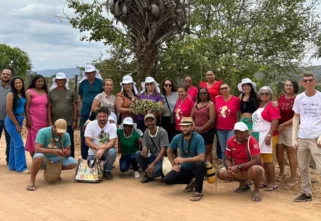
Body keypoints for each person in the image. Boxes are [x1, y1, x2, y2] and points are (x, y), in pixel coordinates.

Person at [217, 122, 264, 202]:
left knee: (256, 169)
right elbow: (227, 158)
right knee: (221, 173)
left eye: (242, 133)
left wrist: (239, 166)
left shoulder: (251, 140)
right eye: (236, 133)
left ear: (247, 132)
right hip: (238, 170)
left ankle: (256, 190)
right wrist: (229, 168)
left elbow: (257, 160)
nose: (239, 135)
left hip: (249, 169)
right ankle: (243, 184)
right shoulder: (230, 141)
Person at [292, 72, 321, 202]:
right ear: (302, 83)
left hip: (316, 138)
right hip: (302, 137)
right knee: (303, 168)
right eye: (305, 81)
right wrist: (294, 137)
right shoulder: (299, 98)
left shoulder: (320, 97)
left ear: (315, 82)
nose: (308, 83)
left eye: (310, 80)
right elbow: (296, 117)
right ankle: (306, 193)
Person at [26, 119, 77, 191]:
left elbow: (69, 151)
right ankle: (32, 180)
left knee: (73, 163)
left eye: (62, 132)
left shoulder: (66, 135)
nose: (61, 134)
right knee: (39, 157)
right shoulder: (43, 132)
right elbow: (37, 149)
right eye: (59, 131)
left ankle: (55, 172)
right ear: (54, 127)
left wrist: (65, 153)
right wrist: (52, 151)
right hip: (44, 157)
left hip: (56, 157)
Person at [163, 117, 206, 202]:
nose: (185, 128)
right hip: (185, 168)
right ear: (180, 128)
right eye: (183, 126)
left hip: (196, 167)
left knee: (199, 164)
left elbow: (201, 157)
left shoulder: (199, 138)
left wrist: (184, 160)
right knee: (167, 180)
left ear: (192, 127)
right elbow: (169, 150)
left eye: (187, 126)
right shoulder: (177, 138)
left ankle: (198, 191)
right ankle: (190, 181)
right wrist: (174, 165)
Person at [252, 86, 280, 191]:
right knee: (263, 159)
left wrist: (269, 135)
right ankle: (266, 181)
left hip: (268, 135)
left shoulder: (272, 105)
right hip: (259, 136)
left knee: (268, 160)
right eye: (262, 93)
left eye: (267, 93)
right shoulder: (261, 105)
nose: (264, 95)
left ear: (270, 95)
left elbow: (275, 121)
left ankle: (273, 182)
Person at [48, 72, 78, 158]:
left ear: (65, 81)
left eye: (62, 80)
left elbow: (75, 107)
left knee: (69, 140)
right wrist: (50, 121)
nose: (60, 81)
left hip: (68, 121)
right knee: (56, 140)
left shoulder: (71, 92)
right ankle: (57, 158)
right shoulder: (51, 92)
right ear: (56, 81)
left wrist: (75, 120)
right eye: (58, 80)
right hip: (55, 122)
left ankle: (70, 158)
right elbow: (49, 107)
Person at [276, 80, 299, 187]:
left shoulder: (298, 98)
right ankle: (282, 172)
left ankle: (293, 177)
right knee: (279, 149)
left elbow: (297, 116)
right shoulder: (281, 98)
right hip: (279, 127)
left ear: (294, 87)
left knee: (291, 151)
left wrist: (284, 125)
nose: (288, 87)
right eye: (287, 85)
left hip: (291, 127)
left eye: (291, 85)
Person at [4, 76, 29, 174]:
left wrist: (23, 121)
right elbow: (8, 110)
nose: (18, 85)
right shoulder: (11, 94)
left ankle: (13, 166)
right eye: (16, 83)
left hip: (20, 118)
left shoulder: (23, 94)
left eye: (20, 83)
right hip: (11, 120)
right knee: (19, 144)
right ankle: (21, 168)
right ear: (13, 85)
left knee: (13, 143)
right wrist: (17, 125)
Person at [85, 107, 117, 180]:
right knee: (90, 171)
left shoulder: (112, 125)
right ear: (96, 116)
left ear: (107, 116)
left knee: (112, 151)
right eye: (99, 116)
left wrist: (103, 149)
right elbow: (87, 141)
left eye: (104, 116)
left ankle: (107, 170)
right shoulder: (90, 125)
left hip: (106, 151)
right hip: (93, 151)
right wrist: (98, 148)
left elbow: (113, 142)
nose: (102, 118)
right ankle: (99, 168)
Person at [79, 64, 104, 159]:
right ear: (86, 74)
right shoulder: (82, 84)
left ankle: (100, 156)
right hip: (85, 112)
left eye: (92, 72)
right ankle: (85, 157)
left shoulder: (100, 82)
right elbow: (81, 96)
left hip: (98, 113)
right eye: (88, 73)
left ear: (95, 72)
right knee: (84, 133)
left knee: (99, 133)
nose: (91, 74)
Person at [135, 114, 169, 183]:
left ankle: (158, 173)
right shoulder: (146, 132)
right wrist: (144, 151)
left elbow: (163, 150)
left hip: (162, 158)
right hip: (153, 156)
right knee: (138, 154)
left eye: (151, 121)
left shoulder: (162, 132)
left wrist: (153, 164)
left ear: (155, 121)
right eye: (147, 121)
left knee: (154, 172)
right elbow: (145, 146)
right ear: (144, 123)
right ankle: (147, 173)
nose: (149, 123)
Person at [199, 71, 223, 162]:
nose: (209, 76)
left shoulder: (218, 84)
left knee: (218, 133)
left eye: (211, 74)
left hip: (217, 110)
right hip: (205, 111)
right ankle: (204, 153)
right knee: (208, 131)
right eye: (207, 74)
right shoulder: (203, 84)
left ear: (214, 75)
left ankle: (220, 155)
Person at [215, 83, 240, 162]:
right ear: (220, 91)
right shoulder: (217, 99)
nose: (224, 90)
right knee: (223, 150)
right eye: (222, 89)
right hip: (220, 128)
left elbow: (239, 113)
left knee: (231, 148)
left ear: (229, 88)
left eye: (225, 88)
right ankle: (225, 168)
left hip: (232, 128)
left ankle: (233, 168)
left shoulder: (236, 99)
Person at [25, 75, 49, 157]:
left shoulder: (46, 92)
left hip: (44, 119)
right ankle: (35, 158)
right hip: (33, 119)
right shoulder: (29, 92)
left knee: (44, 138)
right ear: (34, 82)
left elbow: (48, 107)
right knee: (34, 138)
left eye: (42, 81)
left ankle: (42, 159)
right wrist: (28, 120)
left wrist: (49, 121)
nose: (40, 83)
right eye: (38, 81)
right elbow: (27, 107)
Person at [191, 87, 215, 164]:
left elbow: (212, 119)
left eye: (204, 93)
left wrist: (202, 128)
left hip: (207, 131)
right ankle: (200, 169)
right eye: (201, 93)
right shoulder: (195, 104)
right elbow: (191, 117)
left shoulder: (210, 104)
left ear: (207, 94)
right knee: (198, 151)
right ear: (198, 95)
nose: (203, 95)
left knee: (208, 152)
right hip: (196, 131)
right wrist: (194, 127)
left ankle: (209, 170)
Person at [0, 68, 12, 165]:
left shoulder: (14, 87)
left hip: (10, 119)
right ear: (1, 75)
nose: (5, 76)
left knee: (10, 141)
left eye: (7, 74)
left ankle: (9, 160)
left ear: (10, 76)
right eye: (4, 74)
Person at [161, 78, 178, 142]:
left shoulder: (177, 94)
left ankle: (173, 151)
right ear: (163, 86)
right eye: (166, 85)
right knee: (165, 137)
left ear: (172, 86)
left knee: (174, 137)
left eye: (170, 85)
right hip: (164, 118)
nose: (168, 86)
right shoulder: (161, 96)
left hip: (174, 118)